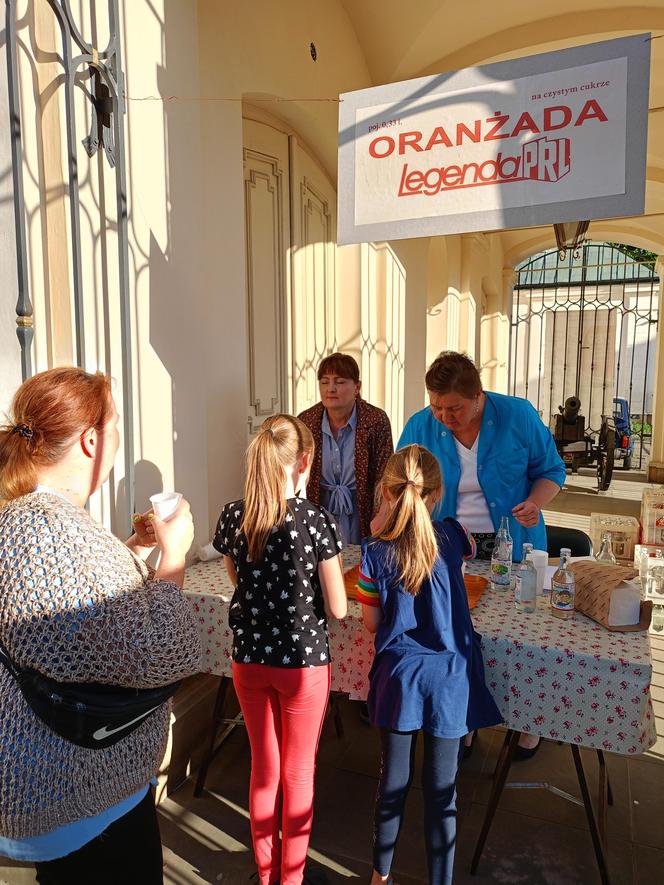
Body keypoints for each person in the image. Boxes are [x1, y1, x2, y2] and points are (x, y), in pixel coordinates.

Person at [0, 367, 202, 885]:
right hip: (84, 798)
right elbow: (156, 652)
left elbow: (81, 622)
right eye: (115, 425)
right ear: (91, 440)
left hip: (71, 787)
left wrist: (131, 550)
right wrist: (174, 556)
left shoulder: (38, 518)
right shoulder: (46, 529)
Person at [395, 351, 566, 760]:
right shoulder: (422, 424)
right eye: (436, 406)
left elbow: (552, 470)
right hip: (447, 544)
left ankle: (529, 723)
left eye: (453, 407)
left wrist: (535, 501)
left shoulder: (518, 415)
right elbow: (401, 480)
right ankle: (465, 720)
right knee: (459, 634)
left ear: (478, 397)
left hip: (513, 540)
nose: (443, 416)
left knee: (521, 636)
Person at [358, 445, 502, 885]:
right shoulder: (454, 537)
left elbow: (370, 623)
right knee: (444, 794)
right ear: (437, 494)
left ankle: (380, 876)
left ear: (386, 491)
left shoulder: (374, 552)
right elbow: (468, 552)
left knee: (391, 786)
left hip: (400, 677)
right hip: (449, 679)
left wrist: (382, 525)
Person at [213, 414, 347, 885]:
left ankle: (266, 872)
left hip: (248, 658)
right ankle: (291, 880)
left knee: (264, 769)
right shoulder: (314, 520)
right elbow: (339, 606)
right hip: (301, 662)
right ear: (305, 461)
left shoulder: (235, 514)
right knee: (298, 773)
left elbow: (235, 578)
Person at [298, 352, 393, 544]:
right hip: (319, 508)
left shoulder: (375, 420)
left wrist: (382, 516)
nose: (330, 389)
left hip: (362, 511)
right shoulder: (306, 421)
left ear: (356, 387)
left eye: (339, 382)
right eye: (324, 382)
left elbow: (385, 474)